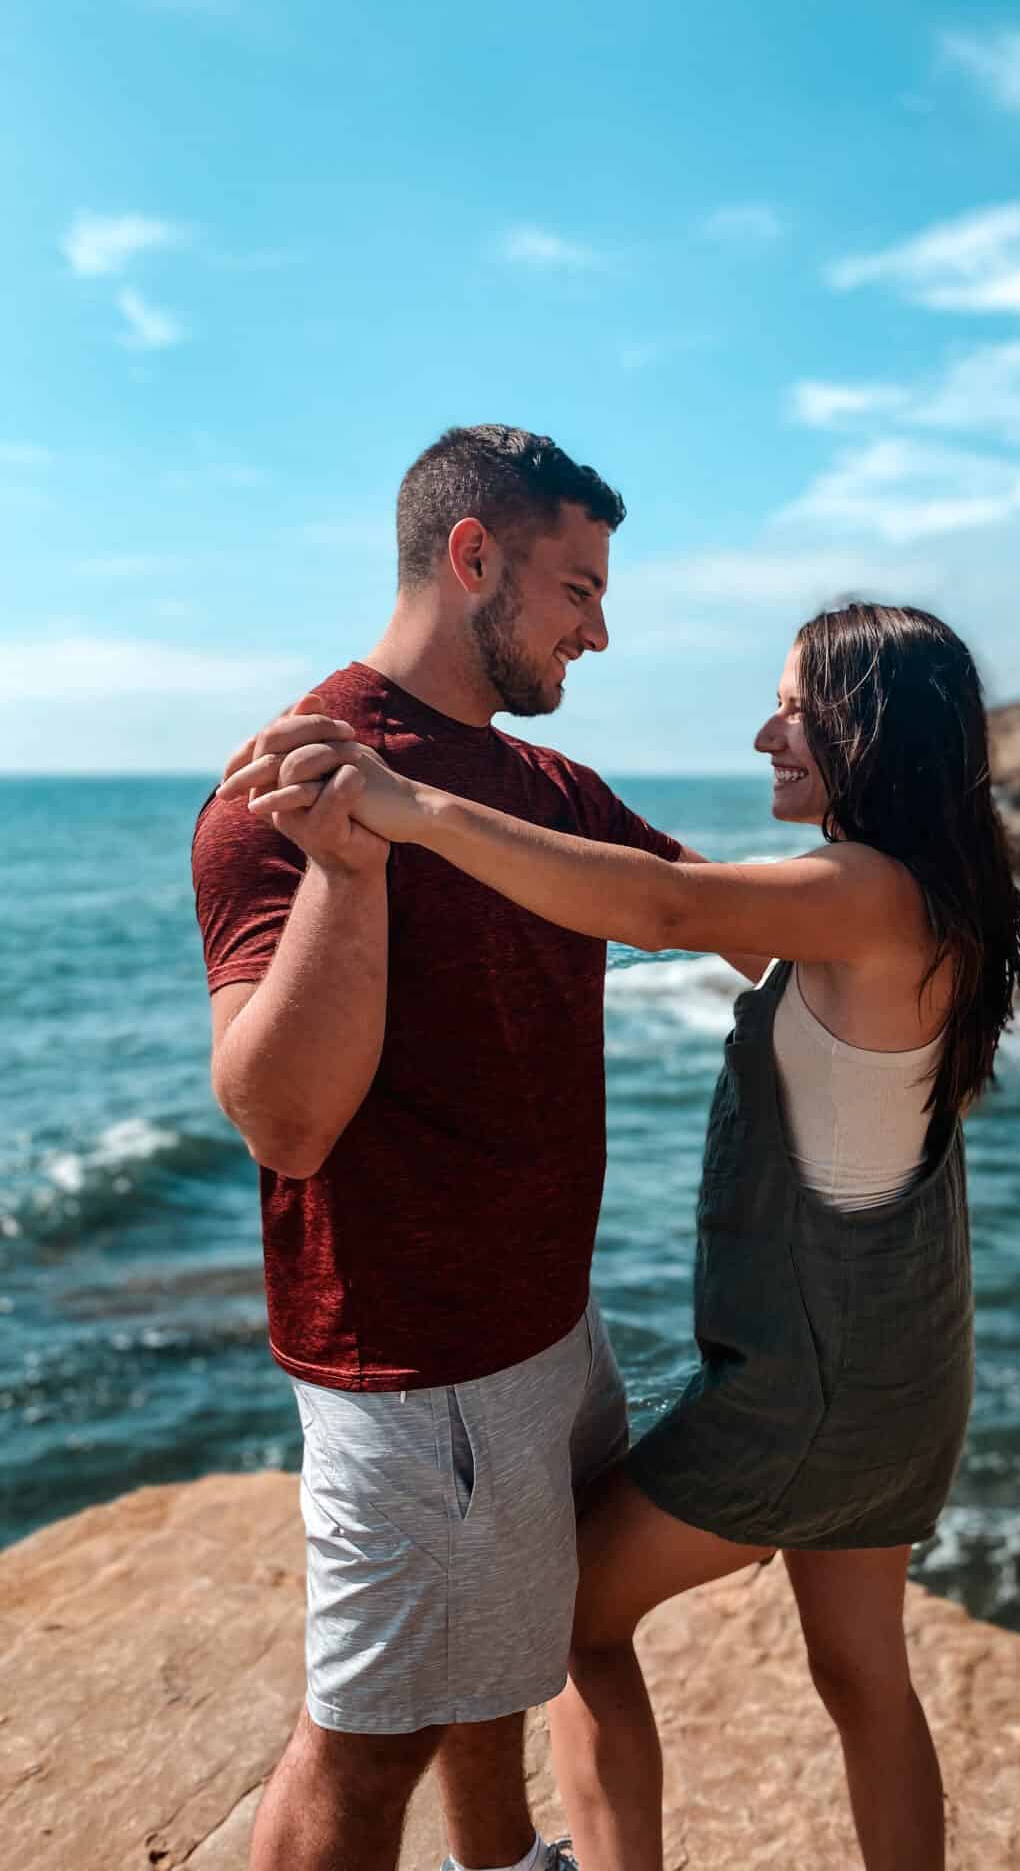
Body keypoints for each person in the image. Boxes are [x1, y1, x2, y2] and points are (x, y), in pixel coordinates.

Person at [221, 599, 1020, 1871]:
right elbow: (712, 917)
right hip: (906, 1376)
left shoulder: (862, 890)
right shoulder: (941, 899)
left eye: (796, 707)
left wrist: (413, 808)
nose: (767, 730)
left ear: (874, 730)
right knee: (867, 1680)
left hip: (810, 1396)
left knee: (570, 1623)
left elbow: (661, 910)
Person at [192, 424, 756, 1871]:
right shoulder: (294, 786)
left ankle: (501, 1862)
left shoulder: (541, 790)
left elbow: (717, 918)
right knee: (363, 1744)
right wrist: (346, 864)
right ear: (473, 557)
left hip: (546, 1331)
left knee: (494, 1663)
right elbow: (284, 1116)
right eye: (579, 588)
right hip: (421, 1363)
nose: (602, 630)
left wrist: (903, 891)